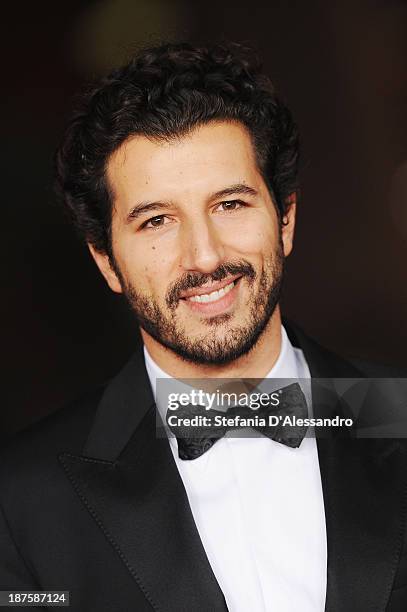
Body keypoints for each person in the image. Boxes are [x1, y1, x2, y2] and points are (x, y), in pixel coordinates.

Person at [1, 42, 406, 612]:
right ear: (106, 260)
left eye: (230, 204)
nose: (205, 256)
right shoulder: (20, 501)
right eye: (157, 220)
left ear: (285, 219)